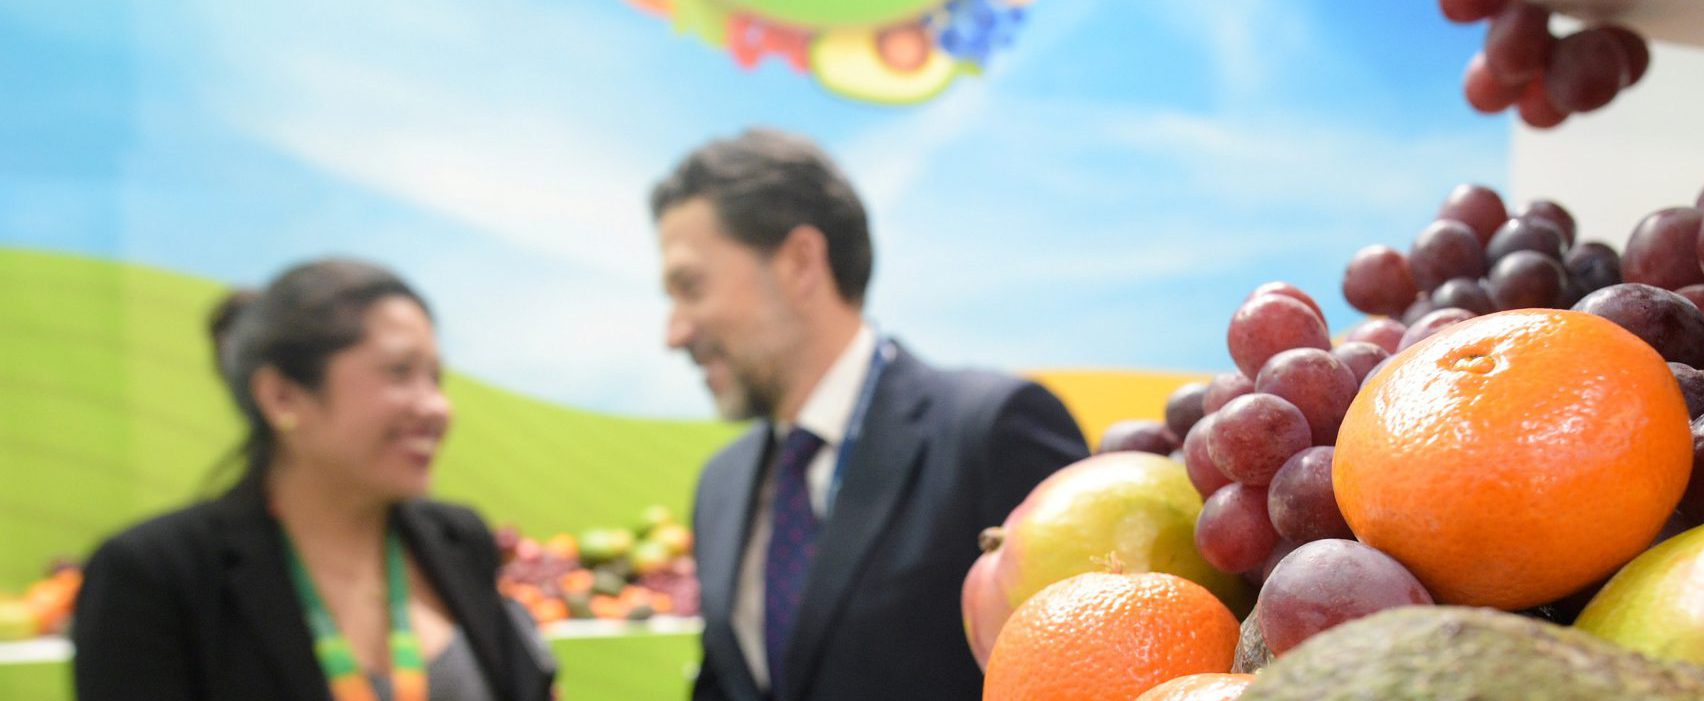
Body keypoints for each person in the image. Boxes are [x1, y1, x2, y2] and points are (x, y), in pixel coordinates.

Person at [651, 129, 1089, 701]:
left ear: (799, 262)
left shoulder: (992, 431)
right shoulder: (721, 487)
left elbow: (1082, 669)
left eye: (691, 287)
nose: (674, 332)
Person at [72, 259, 556, 701]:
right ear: (282, 397)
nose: (435, 407)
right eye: (400, 372)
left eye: (435, 378)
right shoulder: (157, 576)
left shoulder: (457, 540)